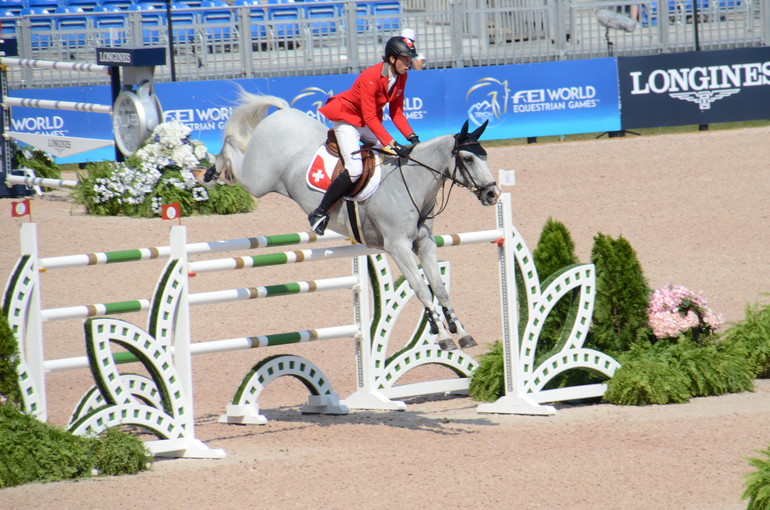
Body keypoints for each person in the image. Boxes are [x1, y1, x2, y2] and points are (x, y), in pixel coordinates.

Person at [308, 36, 421, 235]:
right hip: (348, 120)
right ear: (392, 59)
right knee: (354, 169)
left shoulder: (402, 76)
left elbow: (396, 113)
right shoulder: (371, 76)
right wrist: (392, 142)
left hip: (367, 122)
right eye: (406, 59)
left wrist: (413, 138)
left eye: (410, 59)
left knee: (391, 159)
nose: (409, 63)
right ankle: (320, 212)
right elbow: (369, 116)